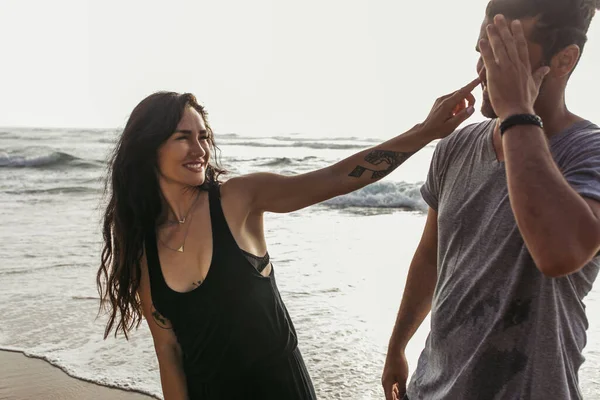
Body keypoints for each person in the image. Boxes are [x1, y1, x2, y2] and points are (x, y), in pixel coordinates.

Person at [96, 78, 479, 399]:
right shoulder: (143, 250)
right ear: (150, 147)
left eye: (203, 137)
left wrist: (425, 132)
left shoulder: (238, 199)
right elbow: (170, 353)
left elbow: (336, 179)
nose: (199, 150)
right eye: (183, 137)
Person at [382, 1, 600, 399]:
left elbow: (559, 254)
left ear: (565, 60)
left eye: (505, 54)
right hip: (432, 388)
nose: (486, 70)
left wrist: (517, 110)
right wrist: (397, 346)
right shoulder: (456, 145)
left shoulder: (589, 153)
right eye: (483, 51)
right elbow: (432, 254)